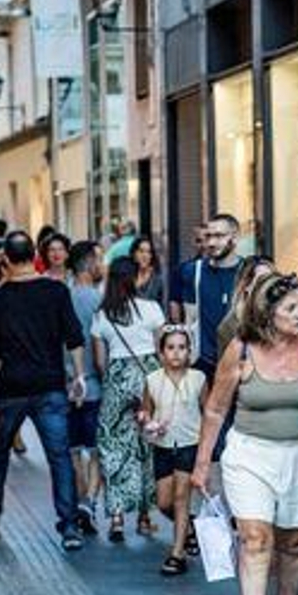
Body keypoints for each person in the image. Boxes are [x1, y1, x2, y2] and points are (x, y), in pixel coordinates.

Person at [192, 273, 298, 595]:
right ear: (267, 314)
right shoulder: (242, 350)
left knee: (295, 541)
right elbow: (216, 409)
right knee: (255, 538)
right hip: (250, 454)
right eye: (290, 309)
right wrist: (202, 463)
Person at [0, 231, 89, 550]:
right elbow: (74, 337)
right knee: (59, 457)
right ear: (34, 255)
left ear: (7, 260)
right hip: (50, 385)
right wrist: (78, 377)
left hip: (12, 386)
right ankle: (68, 526)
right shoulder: (55, 291)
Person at [93, 255, 167, 541]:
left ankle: (117, 519)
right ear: (136, 278)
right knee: (146, 447)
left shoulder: (102, 315)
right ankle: (146, 518)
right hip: (148, 377)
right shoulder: (151, 309)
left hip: (116, 380)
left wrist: (117, 382)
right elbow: (163, 352)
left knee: (113, 448)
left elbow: (100, 361)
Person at [141, 326, 205, 575]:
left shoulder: (198, 379)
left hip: (190, 443)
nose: (176, 353)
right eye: (170, 348)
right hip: (163, 445)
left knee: (181, 497)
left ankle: (177, 554)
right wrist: (148, 422)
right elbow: (145, 410)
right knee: (164, 501)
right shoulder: (152, 380)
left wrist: (207, 453)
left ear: (189, 351)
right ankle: (188, 527)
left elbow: (208, 411)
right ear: (161, 352)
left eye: (182, 347)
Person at [172, 213, 243, 376]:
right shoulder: (192, 271)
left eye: (219, 236)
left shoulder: (249, 271)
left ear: (235, 237)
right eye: (208, 236)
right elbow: (189, 319)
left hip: (242, 363)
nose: (211, 242)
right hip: (203, 364)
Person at [67, 241, 106, 533]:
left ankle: (80, 499)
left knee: (72, 450)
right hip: (94, 385)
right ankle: (89, 502)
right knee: (95, 450)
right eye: (99, 259)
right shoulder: (99, 301)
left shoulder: (62, 297)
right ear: (90, 263)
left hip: (65, 386)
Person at [132, 235, 166, 307]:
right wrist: (138, 284)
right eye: (141, 251)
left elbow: (157, 304)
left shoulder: (156, 278)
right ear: (134, 254)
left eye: (148, 252)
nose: (145, 256)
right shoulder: (127, 274)